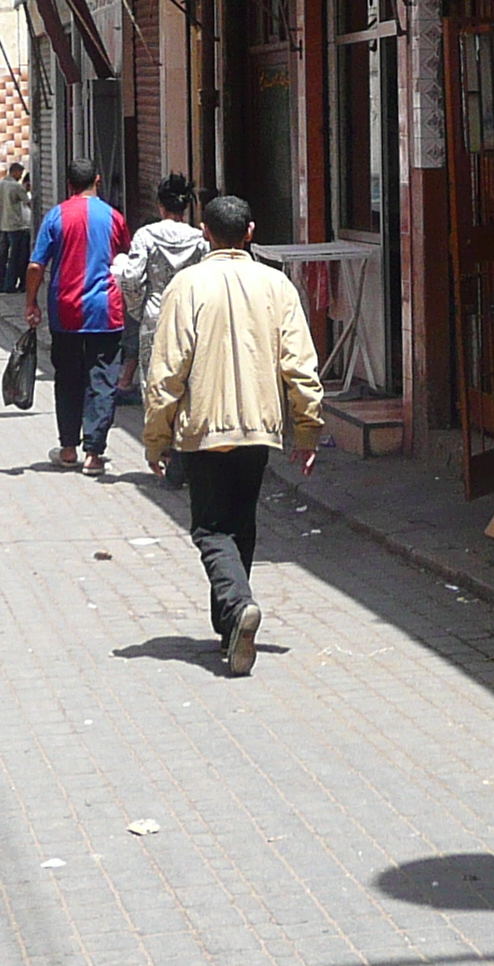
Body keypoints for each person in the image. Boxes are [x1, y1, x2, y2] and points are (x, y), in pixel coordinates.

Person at [139, 195, 323, 676]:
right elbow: (300, 365)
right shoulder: (276, 285)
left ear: (205, 233)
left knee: (210, 528)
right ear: (251, 231)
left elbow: (167, 372)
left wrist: (156, 436)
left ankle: (238, 606)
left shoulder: (187, 286)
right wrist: (307, 428)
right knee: (241, 522)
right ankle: (231, 627)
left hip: (205, 429)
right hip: (259, 429)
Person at [24, 160, 129, 475]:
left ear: (68, 184)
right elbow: (124, 259)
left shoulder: (56, 216)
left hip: (66, 311)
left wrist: (31, 302)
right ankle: (95, 454)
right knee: (103, 379)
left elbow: (35, 266)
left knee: (68, 378)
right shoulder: (114, 217)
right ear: (97, 180)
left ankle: (68, 448)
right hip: (106, 310)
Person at [110, 173, 210, 443]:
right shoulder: (199, 239)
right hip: (191, 318)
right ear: (185, 207)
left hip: (154, 316)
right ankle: (186, 446)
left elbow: (130, 278)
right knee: (188, 382)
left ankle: (161, 448)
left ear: (160, 205)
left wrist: (138, 309)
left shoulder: (146, 235)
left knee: (154, 386)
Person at [0, 160, 36, 296]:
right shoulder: (16, 187)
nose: (20, 176)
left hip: (2, 225)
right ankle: (10, 285)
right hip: (16, 226)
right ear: (15, 172)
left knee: (2, 256)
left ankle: (0, 284)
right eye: (19, 173)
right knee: (14, 257)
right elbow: (28, 203)